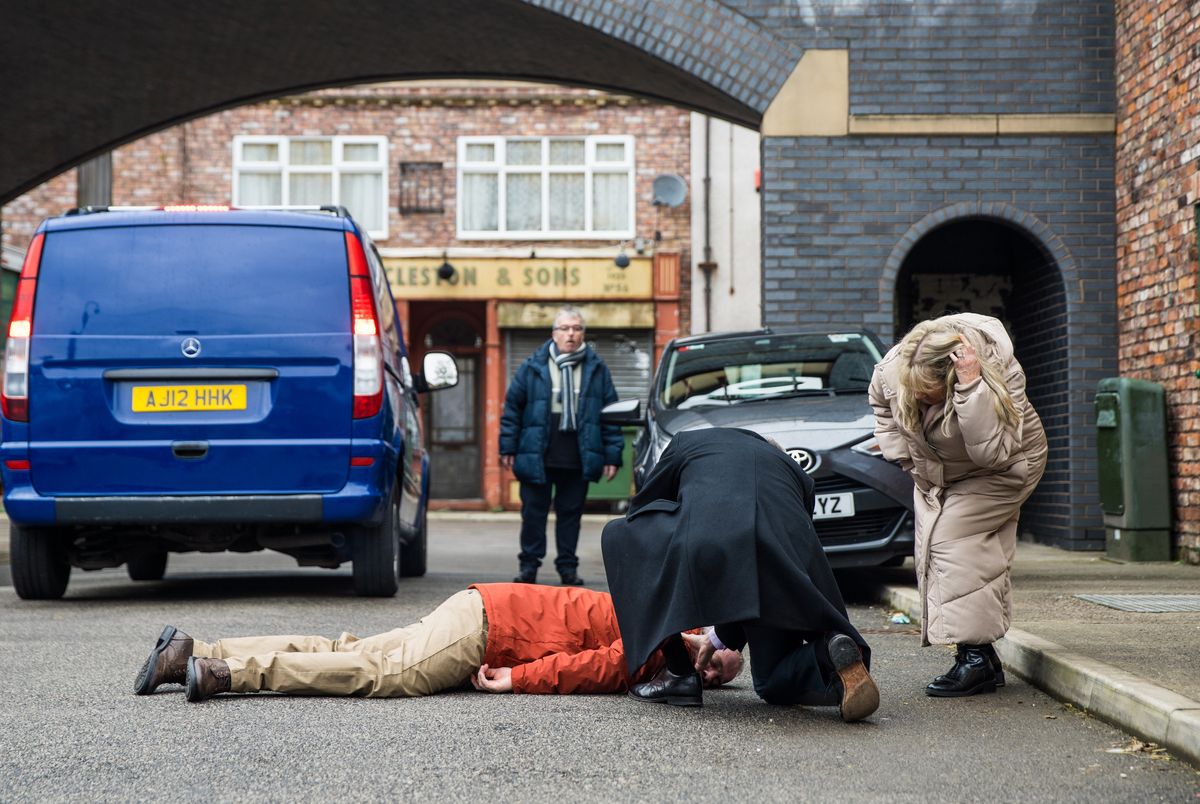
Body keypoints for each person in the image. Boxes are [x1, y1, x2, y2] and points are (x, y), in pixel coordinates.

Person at [601, 428, 880, 721]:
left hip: (714, 546)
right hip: (784, 568)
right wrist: (719, 638)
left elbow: (643, 512)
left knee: (622, 534)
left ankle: (678, 674)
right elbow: (760, 560)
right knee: (769, 679)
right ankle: (826, 654)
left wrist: (682, 616)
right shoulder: (798, 477)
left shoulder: (687, 442)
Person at [134, 583, 744, 702]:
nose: (709, 678)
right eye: (718, 666)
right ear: (706, 641)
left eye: (718, 681)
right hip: (488, 630)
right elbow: (600, 667)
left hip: (482, 607)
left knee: (352, 647)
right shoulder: (662, 639)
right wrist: (516, 678)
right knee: (381, 676)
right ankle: (228, 675)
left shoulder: (654, 609)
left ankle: (196, 649)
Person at [869, 312, 1047, 698]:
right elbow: (881, 405)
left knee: (951, 544)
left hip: (1006, 467)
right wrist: (906, 457)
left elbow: (995, 453)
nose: (916, 397)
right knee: (955, 552)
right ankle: (983, 658)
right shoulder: (893, 369)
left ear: (951, 374)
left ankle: (975, 660)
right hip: (937, 473)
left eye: (927, 391)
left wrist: (971, 391)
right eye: (911, 389)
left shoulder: (999, 371)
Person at [500, 306, 623, 586]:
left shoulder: (597, 369)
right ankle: (528, 567)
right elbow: (512, 410)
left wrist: (612, 454)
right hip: (538, 454)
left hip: (578, 455)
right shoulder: (533, 366)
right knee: (533, 515)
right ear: (554, 333)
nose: (571, 334)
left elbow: (611, 413)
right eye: (565, 329)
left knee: (570, 516)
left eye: (577, 329)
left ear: (583, 334)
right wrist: (508, 448)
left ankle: (568, 569)